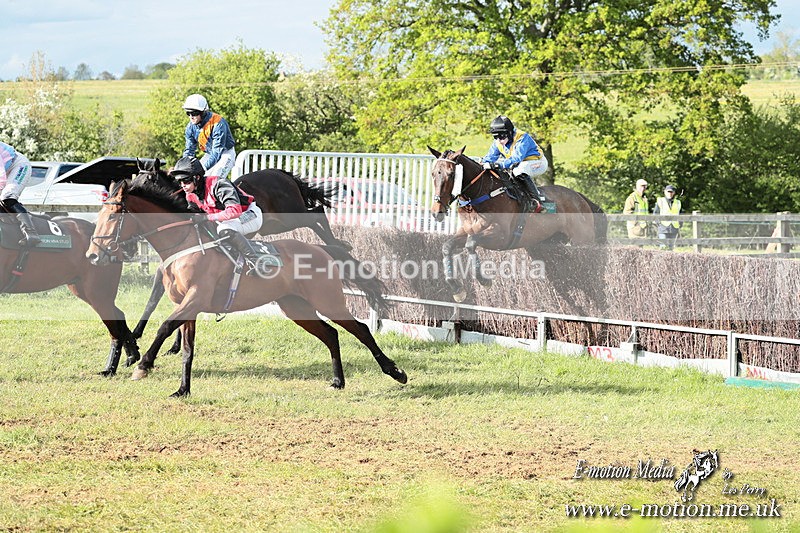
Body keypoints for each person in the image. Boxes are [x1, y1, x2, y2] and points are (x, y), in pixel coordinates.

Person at [170, 156, 263, 274]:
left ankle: (256, 263)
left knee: (224, 229)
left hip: (249, 215)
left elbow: (235, 211)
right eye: (180, 182)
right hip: (225, 220)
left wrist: (207, 217)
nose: (183, 185)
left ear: (197, 178)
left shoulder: (219, 185)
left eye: (186, 181)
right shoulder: (190, 195)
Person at [481, 115, 548, 205]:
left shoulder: (522, 138)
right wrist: (482, 164)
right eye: (495, 137)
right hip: (519, 164)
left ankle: (536, 200)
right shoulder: (498, 142)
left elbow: (517, 158)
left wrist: (498, 165)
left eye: (501, 137)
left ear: (509, 132)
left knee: (519, 170)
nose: (499, 141)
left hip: (538, 163)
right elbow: (489, 158)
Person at [181, 94, 236, 180]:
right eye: (188, 113)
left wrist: (202, 169)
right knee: (198, 180)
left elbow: (217, 152)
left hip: (225, 153)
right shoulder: (190, 127)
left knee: (214, 180)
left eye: (194, 113)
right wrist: (183, 168)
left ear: (203, 112)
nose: (191, 116)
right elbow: (189, 151)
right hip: (209, 154)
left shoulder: (218, 123)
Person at [0, 142, 41, 247]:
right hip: (7, 168)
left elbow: (1, 178)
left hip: (19, 166)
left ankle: (31, 232)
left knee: (7, 196)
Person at [653, 184, 682, 250]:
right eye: (668, 192)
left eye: (671, 192)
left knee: (671, 248)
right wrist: (659, 224)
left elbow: (680, 215)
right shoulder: (660, 201)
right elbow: (655, 214)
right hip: (663, 227)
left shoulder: (678, 202)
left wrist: (680, 224)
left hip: (674, 227)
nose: (670, 193)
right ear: (665, 192)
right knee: (663, 247)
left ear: (674, 193)